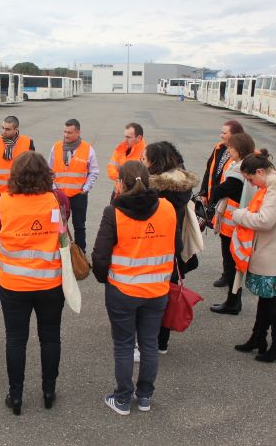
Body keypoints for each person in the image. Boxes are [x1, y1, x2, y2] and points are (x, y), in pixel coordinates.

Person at [92, 161, 176, 415]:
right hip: (157, 289)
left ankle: (122, 398)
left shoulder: (113, 212)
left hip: (123, 291)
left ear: (120, 183)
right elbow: (177, 244)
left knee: (124, 345)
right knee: (149, 343)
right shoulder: (167, 208)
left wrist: (104, 278)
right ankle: (145, 396)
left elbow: (100, 257)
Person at [0, 152, 65, 416]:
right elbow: (62, 234)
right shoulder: (55, 199)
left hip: (14, 283)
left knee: (16, 340)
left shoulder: (4, 201)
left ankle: (16, 395)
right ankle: (48, 391)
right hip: (49, 281)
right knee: (50, 337)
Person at [231, 151, 276, 363]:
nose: (252, 184)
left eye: (251, 179)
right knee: (267, 298)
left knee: (273, 300)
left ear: (260, 172)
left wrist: (239, 214)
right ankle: (259, 338)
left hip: (271, 251)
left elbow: (265, 221)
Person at [143, 141, 199, 355]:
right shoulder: (181, 185)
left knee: (155, 294)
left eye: (145, 158)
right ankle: (162, 341)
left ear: (156, 162)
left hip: (157, 246)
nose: (142, 161)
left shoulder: (157, 191)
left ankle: (151, 340)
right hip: (175, 248)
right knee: (169, 291)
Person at [208, 133, 256, 315]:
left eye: (232, 148)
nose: (228, 150)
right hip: (233, 222)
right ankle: (233, 299)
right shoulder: (245, 165)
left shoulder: (239, 169)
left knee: (231, 264)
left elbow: (225, 189)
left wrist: (214, 193)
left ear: (240, 150)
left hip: (232, 224)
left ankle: (233, 301)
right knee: (232, 264)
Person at [198, 119, 244, 288]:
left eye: (224, 132)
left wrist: (215, 194)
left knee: (233, 245)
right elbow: (209, 170)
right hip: (220, 204)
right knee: (225, 243)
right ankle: (228, 274)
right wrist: (204, 192)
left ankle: (234, 278)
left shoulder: (242, 155)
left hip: (232, 207)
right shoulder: (219, 148)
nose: (221, 135)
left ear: (235, 135)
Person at [0, 115, 35, 273]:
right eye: (2, 128)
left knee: (19, 225)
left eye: (7, 129)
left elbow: (32, 166)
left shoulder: (27, 142)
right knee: (0, 227)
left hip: (20, 192)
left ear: (16, 129)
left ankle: (18, 256)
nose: (3, 131)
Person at [48, 118, 99, 252]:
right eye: (64, 132)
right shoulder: (56, 147)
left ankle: (80, 253)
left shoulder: (88, 149)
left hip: (78, 196)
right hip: (59, 195)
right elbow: (49, 170)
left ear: (78, 132)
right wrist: (53, 188)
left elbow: (94, 172)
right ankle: (60, 252)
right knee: (59, 227)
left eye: (69, 132)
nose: (66, 135)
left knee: (79, 227)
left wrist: (85, 189)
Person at [107, 122, 146, 196]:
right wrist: (123, 177)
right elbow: (110, 169)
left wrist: (120, 172)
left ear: (139, 138)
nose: (125, 140)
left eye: (128, 137)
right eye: (125, 136)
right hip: (117, 192)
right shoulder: (121, 148)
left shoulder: (145, 153)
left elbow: (142, 177)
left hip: (134, 195)